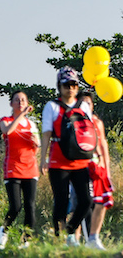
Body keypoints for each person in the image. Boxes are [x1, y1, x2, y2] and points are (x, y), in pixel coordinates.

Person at [40, 66, 94, 246]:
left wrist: (95, 155)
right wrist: (43, 159)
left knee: (86, 200)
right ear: (59, 86)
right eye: (66, 85)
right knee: (61, 201)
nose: (70, 88)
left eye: (74, 85)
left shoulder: (83, 106)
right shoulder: (52, 106)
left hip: (80, 160)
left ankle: (69, 231)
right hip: (58, 160)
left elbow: (89, 131)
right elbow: (46, 134)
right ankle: (59, 240)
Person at [0, 91, 39, 249]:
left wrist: (36, 143)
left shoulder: (32, 124)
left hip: (30, 169)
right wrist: (21, 115)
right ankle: (3, 231)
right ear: (11, 103)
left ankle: (27, 240)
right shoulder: (5, 121)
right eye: (17, 100)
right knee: (16, 206)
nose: (20, 102)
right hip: (13, 168)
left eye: (23, 100)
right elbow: (7, 131)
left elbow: (36, 148)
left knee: (30, 206)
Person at [80, 91, 113, 250]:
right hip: (81, 167)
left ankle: (94, 237)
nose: (86, 106)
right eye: (82, 103)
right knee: (85, 202)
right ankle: (87, 239)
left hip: (97, 168)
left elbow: (103, 146)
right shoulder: (74, 121)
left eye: (88, 103)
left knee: (100, 202)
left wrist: (107, 169)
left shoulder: (97, 122)